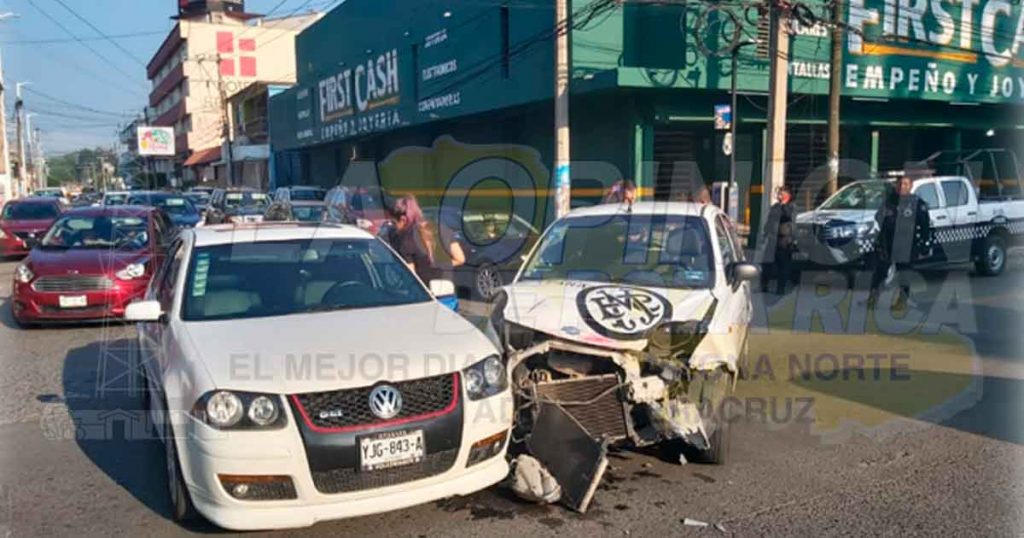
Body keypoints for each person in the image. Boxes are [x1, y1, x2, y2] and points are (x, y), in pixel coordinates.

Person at [869, 175, 930, 308]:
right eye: (900, 184)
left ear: (910, 186)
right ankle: (873, 298)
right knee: (880, 272)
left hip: (906, 244)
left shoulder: (917, 203)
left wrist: (925, 244)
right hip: (887, 242)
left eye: (905, 184)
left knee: (904, 274)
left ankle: (902, 301)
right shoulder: (889, 202)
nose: (902, 187)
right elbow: (878, 218)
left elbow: (925, 226)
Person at [760, 185, 796, 294]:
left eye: (782, 193)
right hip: (772, 239)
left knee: (783, 266)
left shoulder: (791, 207)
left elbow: (788, 216)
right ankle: (764, 286)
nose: (779, 195)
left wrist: (783, 205)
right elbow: (770, 220)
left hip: (784, 241)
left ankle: (781, 288)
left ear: (787, 195)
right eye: (779, 193)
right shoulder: (775, 207)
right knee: (767, 264)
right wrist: (765, 234)